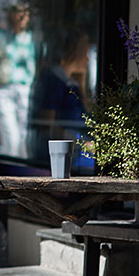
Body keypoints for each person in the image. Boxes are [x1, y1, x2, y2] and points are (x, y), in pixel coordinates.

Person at [30, 30, 94, 172]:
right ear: (73, 52)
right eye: (84, 53)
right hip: (63, 156)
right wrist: (82, 143)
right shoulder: (52, 80)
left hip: (76, 152)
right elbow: (47, 126)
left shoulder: (71, 82)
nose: (87, 59)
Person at [0, 3, 36, 158]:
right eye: (18, 13)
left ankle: (23, 163)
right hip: (3, 88)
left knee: (25, 133)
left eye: (25, 13)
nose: (22, 17)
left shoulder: (32, 37)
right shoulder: (0, 35)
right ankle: (11, 163)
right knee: (10, 133)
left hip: (25, 88)